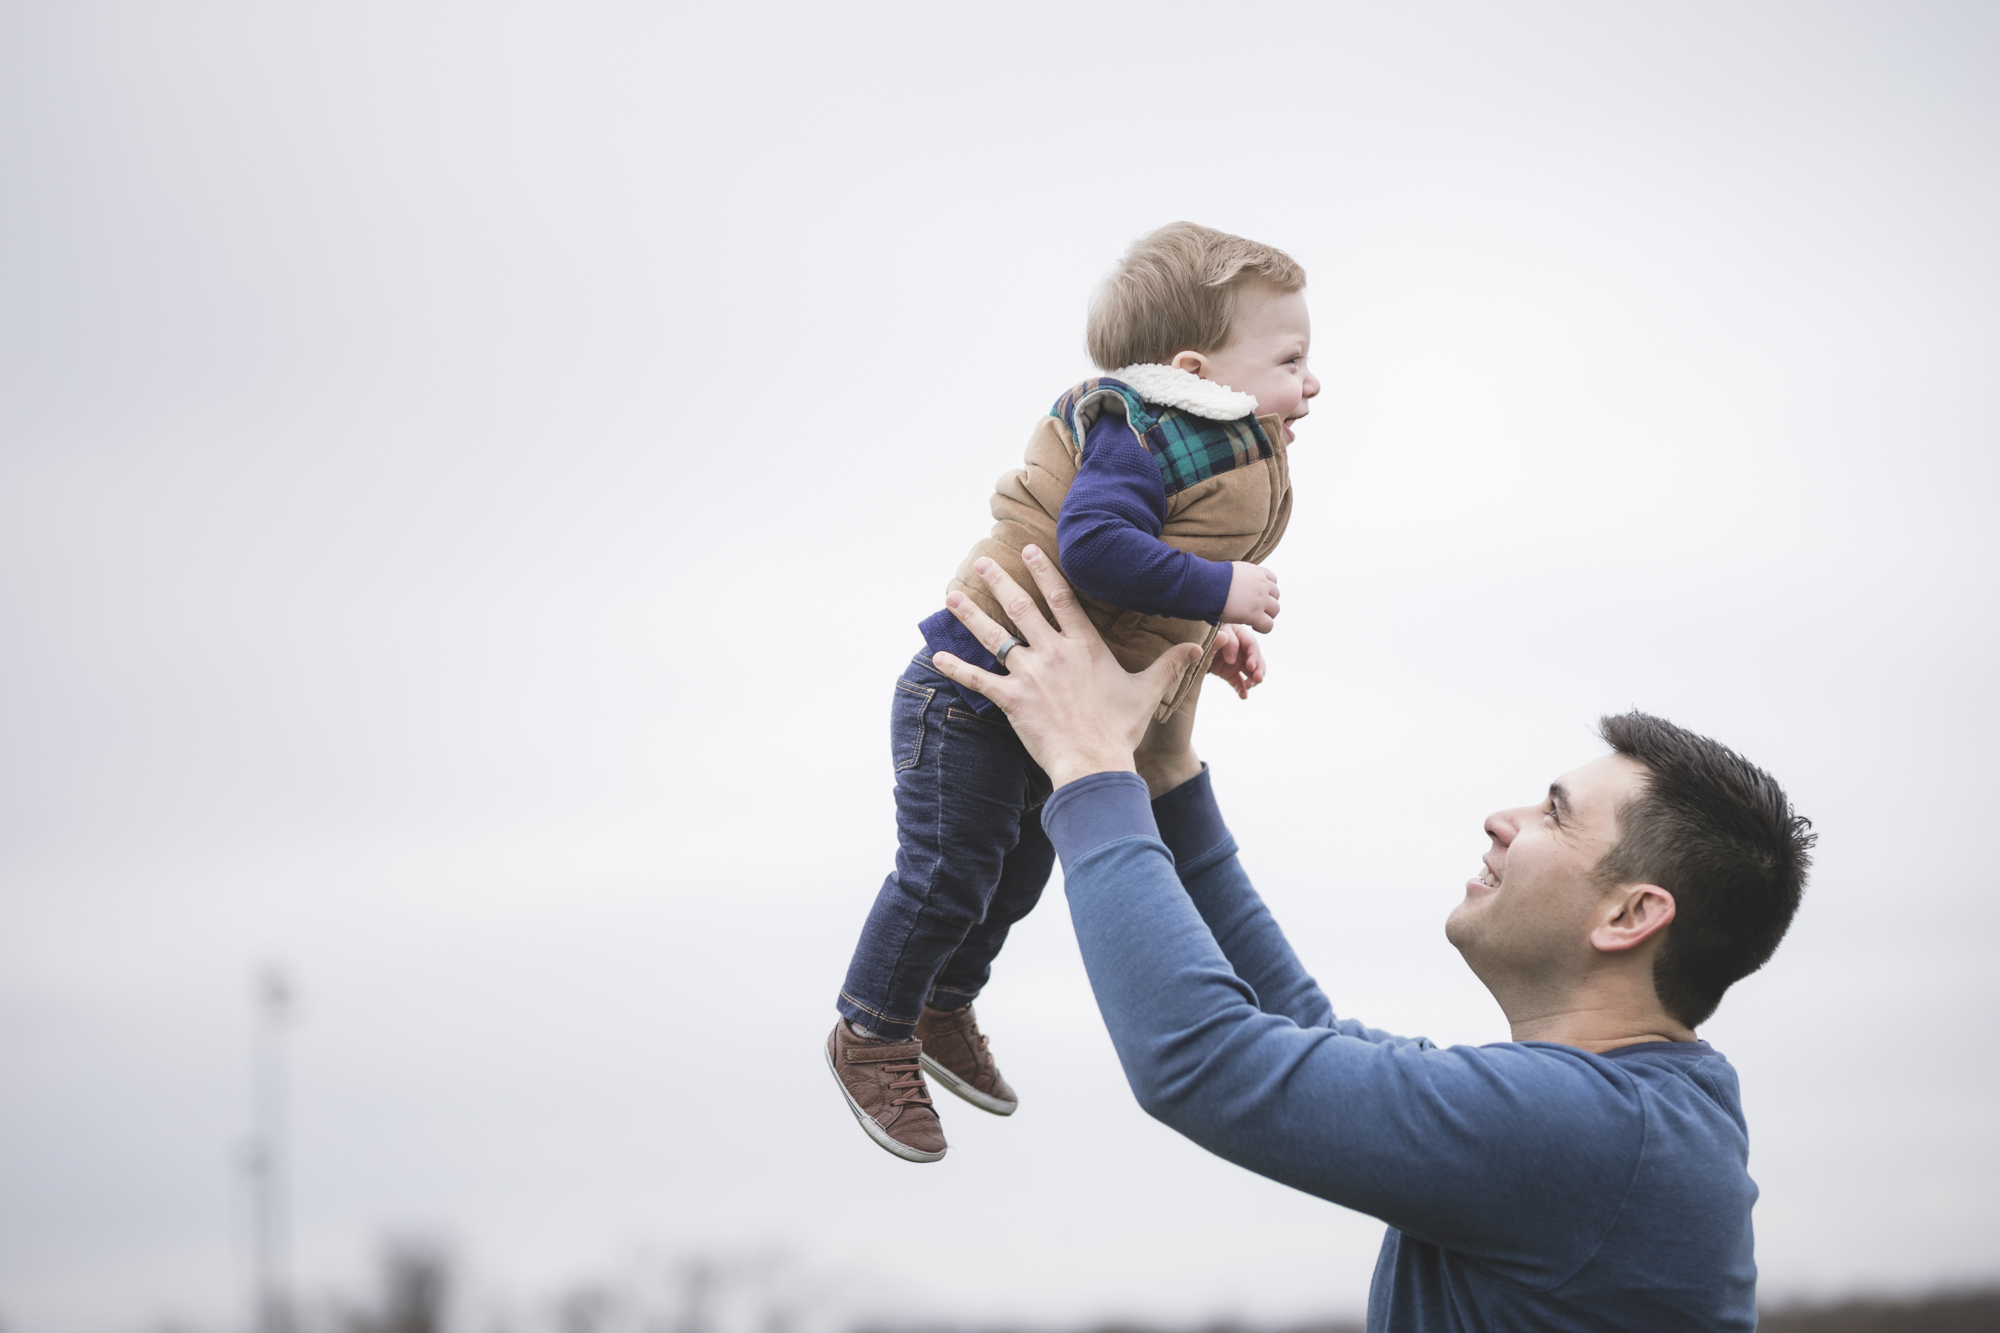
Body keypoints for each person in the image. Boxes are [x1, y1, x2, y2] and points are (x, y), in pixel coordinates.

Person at [925, 549, 1815, 1332]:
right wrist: (1161, 772)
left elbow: (1202, 1060)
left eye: (1553, 811)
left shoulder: (1592, 1132)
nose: (1501, 820)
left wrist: (1088, 766)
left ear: (1631, 915)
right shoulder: (1629, 1116)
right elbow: (1305, 1036)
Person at [827, 223, 1321, 1163]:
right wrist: (1219, 591)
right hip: (971, 691)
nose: (1314, 380)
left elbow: (1127, 587)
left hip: (1037, 702)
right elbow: (1095, 545)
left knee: (1015, 878)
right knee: (947, 874)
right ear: (1194, 367)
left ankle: (941, 1005)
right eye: (1293, 358)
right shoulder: (1135, 428)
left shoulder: (1213, 448)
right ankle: (870, 1028)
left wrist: (1203, 638)